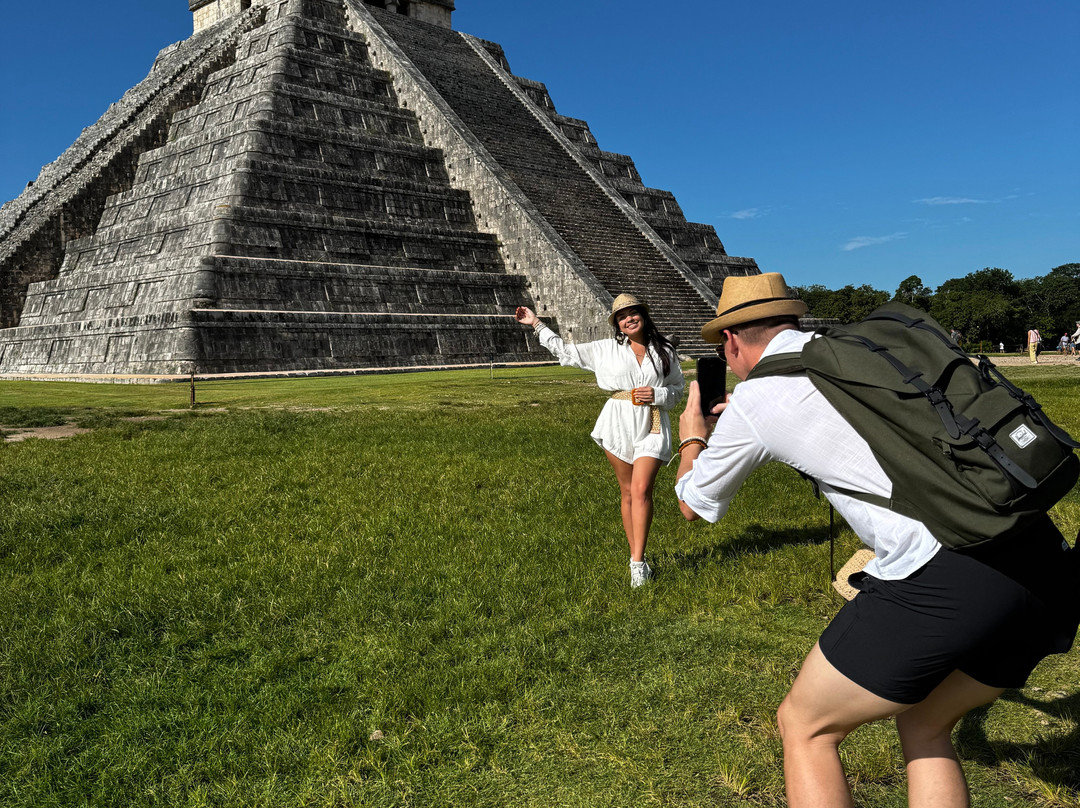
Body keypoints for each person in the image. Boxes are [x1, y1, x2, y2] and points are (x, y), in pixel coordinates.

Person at [673, 272, 1079, 808]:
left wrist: (693, 435)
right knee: (924, 722)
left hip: (947, 576)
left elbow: (692, 504)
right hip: (1038, 559)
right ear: (792, 321)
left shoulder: (755, 399)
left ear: (730, 341)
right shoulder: (859, 353)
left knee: (806, 726)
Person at [515, 295, 684, 588]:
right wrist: (537, 324)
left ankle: (637, 561)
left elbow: (678, 388)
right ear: (617, 324)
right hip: (618, 420)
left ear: (643, 315)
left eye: (633, 313)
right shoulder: (605, 349)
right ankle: (637, 562)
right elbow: (565, 352)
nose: (629, 319)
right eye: (622, 317)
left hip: (653, 423)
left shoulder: (665, 350)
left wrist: (658, 395)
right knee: (629, 491)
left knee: (643, 489)